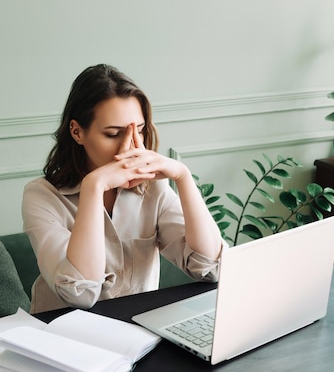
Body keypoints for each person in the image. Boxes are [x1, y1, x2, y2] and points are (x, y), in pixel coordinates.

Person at [22, 64, 225, 313]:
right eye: (113, 134)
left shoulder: (154, 190)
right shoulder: (41, 196)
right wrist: (93, 187)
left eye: (138, 130)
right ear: (77, 131)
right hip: (62, 336)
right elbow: (80, 294)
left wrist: (182, 177)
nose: (130, 147)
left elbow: (210, 268)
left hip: (138, 335)